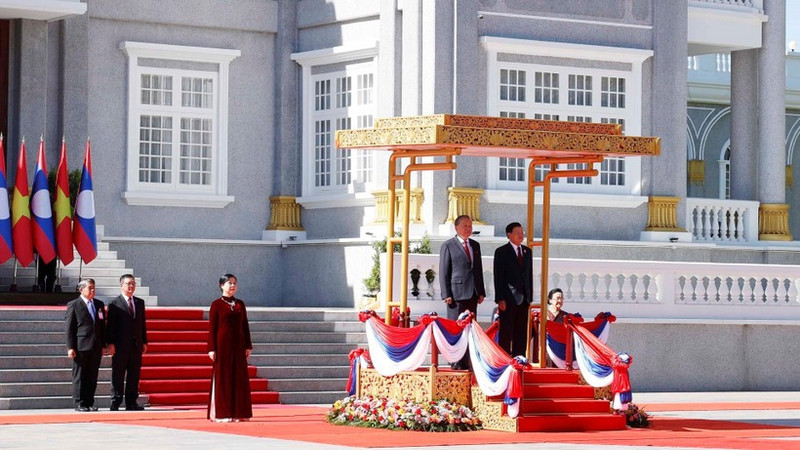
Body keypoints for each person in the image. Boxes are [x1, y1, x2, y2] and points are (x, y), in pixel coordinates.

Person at [439, 215, 486, 370]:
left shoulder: (475, 245)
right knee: (456, 328)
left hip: (472, 294)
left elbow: (478, 270)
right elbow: (444, 271)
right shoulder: (448, 246)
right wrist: (446, 293)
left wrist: (481, 291)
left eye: (470, 226)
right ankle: (455, 361)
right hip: (456, 294)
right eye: (465, 226)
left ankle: (467, 361)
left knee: (470, 328)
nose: (468, 229)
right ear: (456, 227)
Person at [207, 273, 253, 422]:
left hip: (239, 347)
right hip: (222, 347)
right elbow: (212, 327)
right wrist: (211, 348)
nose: (232, 286)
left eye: (234, 283)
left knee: (239, 380)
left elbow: (245, 325)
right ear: (221, 286)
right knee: (224, 379)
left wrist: (248, 345)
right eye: (229, 283)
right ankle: (223, 413)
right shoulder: (216, 304)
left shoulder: (240, 304)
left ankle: (240, 412)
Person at [106, 274, 148, 411]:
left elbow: (142, 324)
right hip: (120, 346)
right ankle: (116, 401)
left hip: (135, 345)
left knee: (134, 374)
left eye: (133, 284)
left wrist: (144, 341)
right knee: (118, 374)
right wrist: (110, 343)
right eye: (128, 284)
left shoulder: (139, 302)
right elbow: (110, 326)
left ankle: (131, 402)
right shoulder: (114, 303)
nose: (131, 286)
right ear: (121, 285)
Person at [65, 278, 106, 411]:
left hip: (96, 345)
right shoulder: (74, 304)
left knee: (92, 375)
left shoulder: (99, 305)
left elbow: (102, 326)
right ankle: (79, 402)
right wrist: (70, 347)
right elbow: (69, 328)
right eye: (90, 287)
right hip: (81, 345)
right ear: (81, 289)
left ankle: (89, 401)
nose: (93, 290)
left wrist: (103, 344)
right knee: (80, 375)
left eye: (94, 287)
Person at [493, 222, 533, 357]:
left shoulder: (527, 252)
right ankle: (504, 359)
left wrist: (529, 297)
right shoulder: (502, 252)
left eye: (522, 232)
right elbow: (498, 276)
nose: (521, 235)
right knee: (506, 332)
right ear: (509, 235)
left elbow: (529, 276)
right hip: (508, 299)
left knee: (521, 332)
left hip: (523, 299)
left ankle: (519, 359)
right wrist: (500, 298)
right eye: (517, 233)